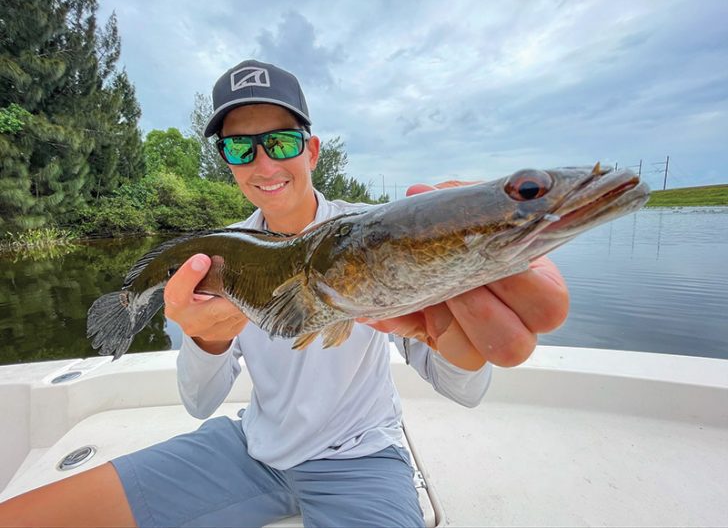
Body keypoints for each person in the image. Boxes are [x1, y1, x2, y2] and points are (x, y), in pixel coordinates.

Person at [0, 60, 569, 527]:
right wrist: (206, 341)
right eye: (241, 149)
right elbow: (200, 403)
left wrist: (461, 344)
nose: (264, 163)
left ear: (312, 149)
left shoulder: (373, 232)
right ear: (226, 162)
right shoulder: (220, 255)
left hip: (362, 459)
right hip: (251, 451)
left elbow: (459, 388)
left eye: (279, 141)